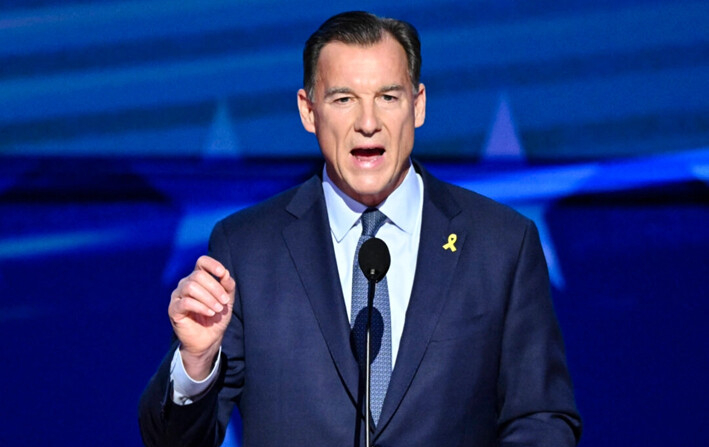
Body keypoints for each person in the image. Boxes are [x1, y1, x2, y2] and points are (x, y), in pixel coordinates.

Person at [139, 11, 581, 446]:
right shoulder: (248, 249)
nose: (368, 122)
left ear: (418, 104)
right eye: (343, 98)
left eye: (388, 97)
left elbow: (542, 418)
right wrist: (196, 363)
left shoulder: (501, 244)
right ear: (309, 111)